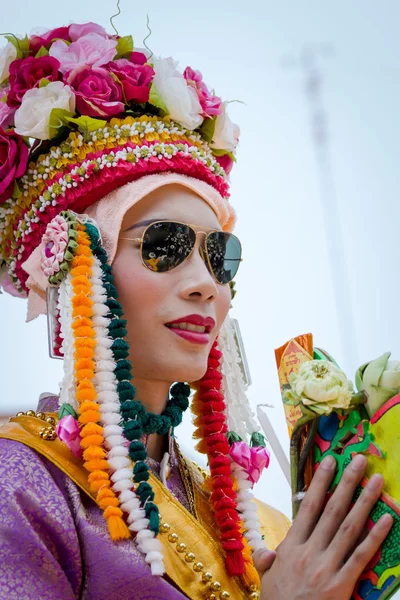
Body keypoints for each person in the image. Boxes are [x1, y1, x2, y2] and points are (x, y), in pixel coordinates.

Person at [0, 20, 392, 600]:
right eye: (164, 245)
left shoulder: (261, 530)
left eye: (220, 255)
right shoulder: (24, 484)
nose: (207, 284)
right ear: (73, 262)